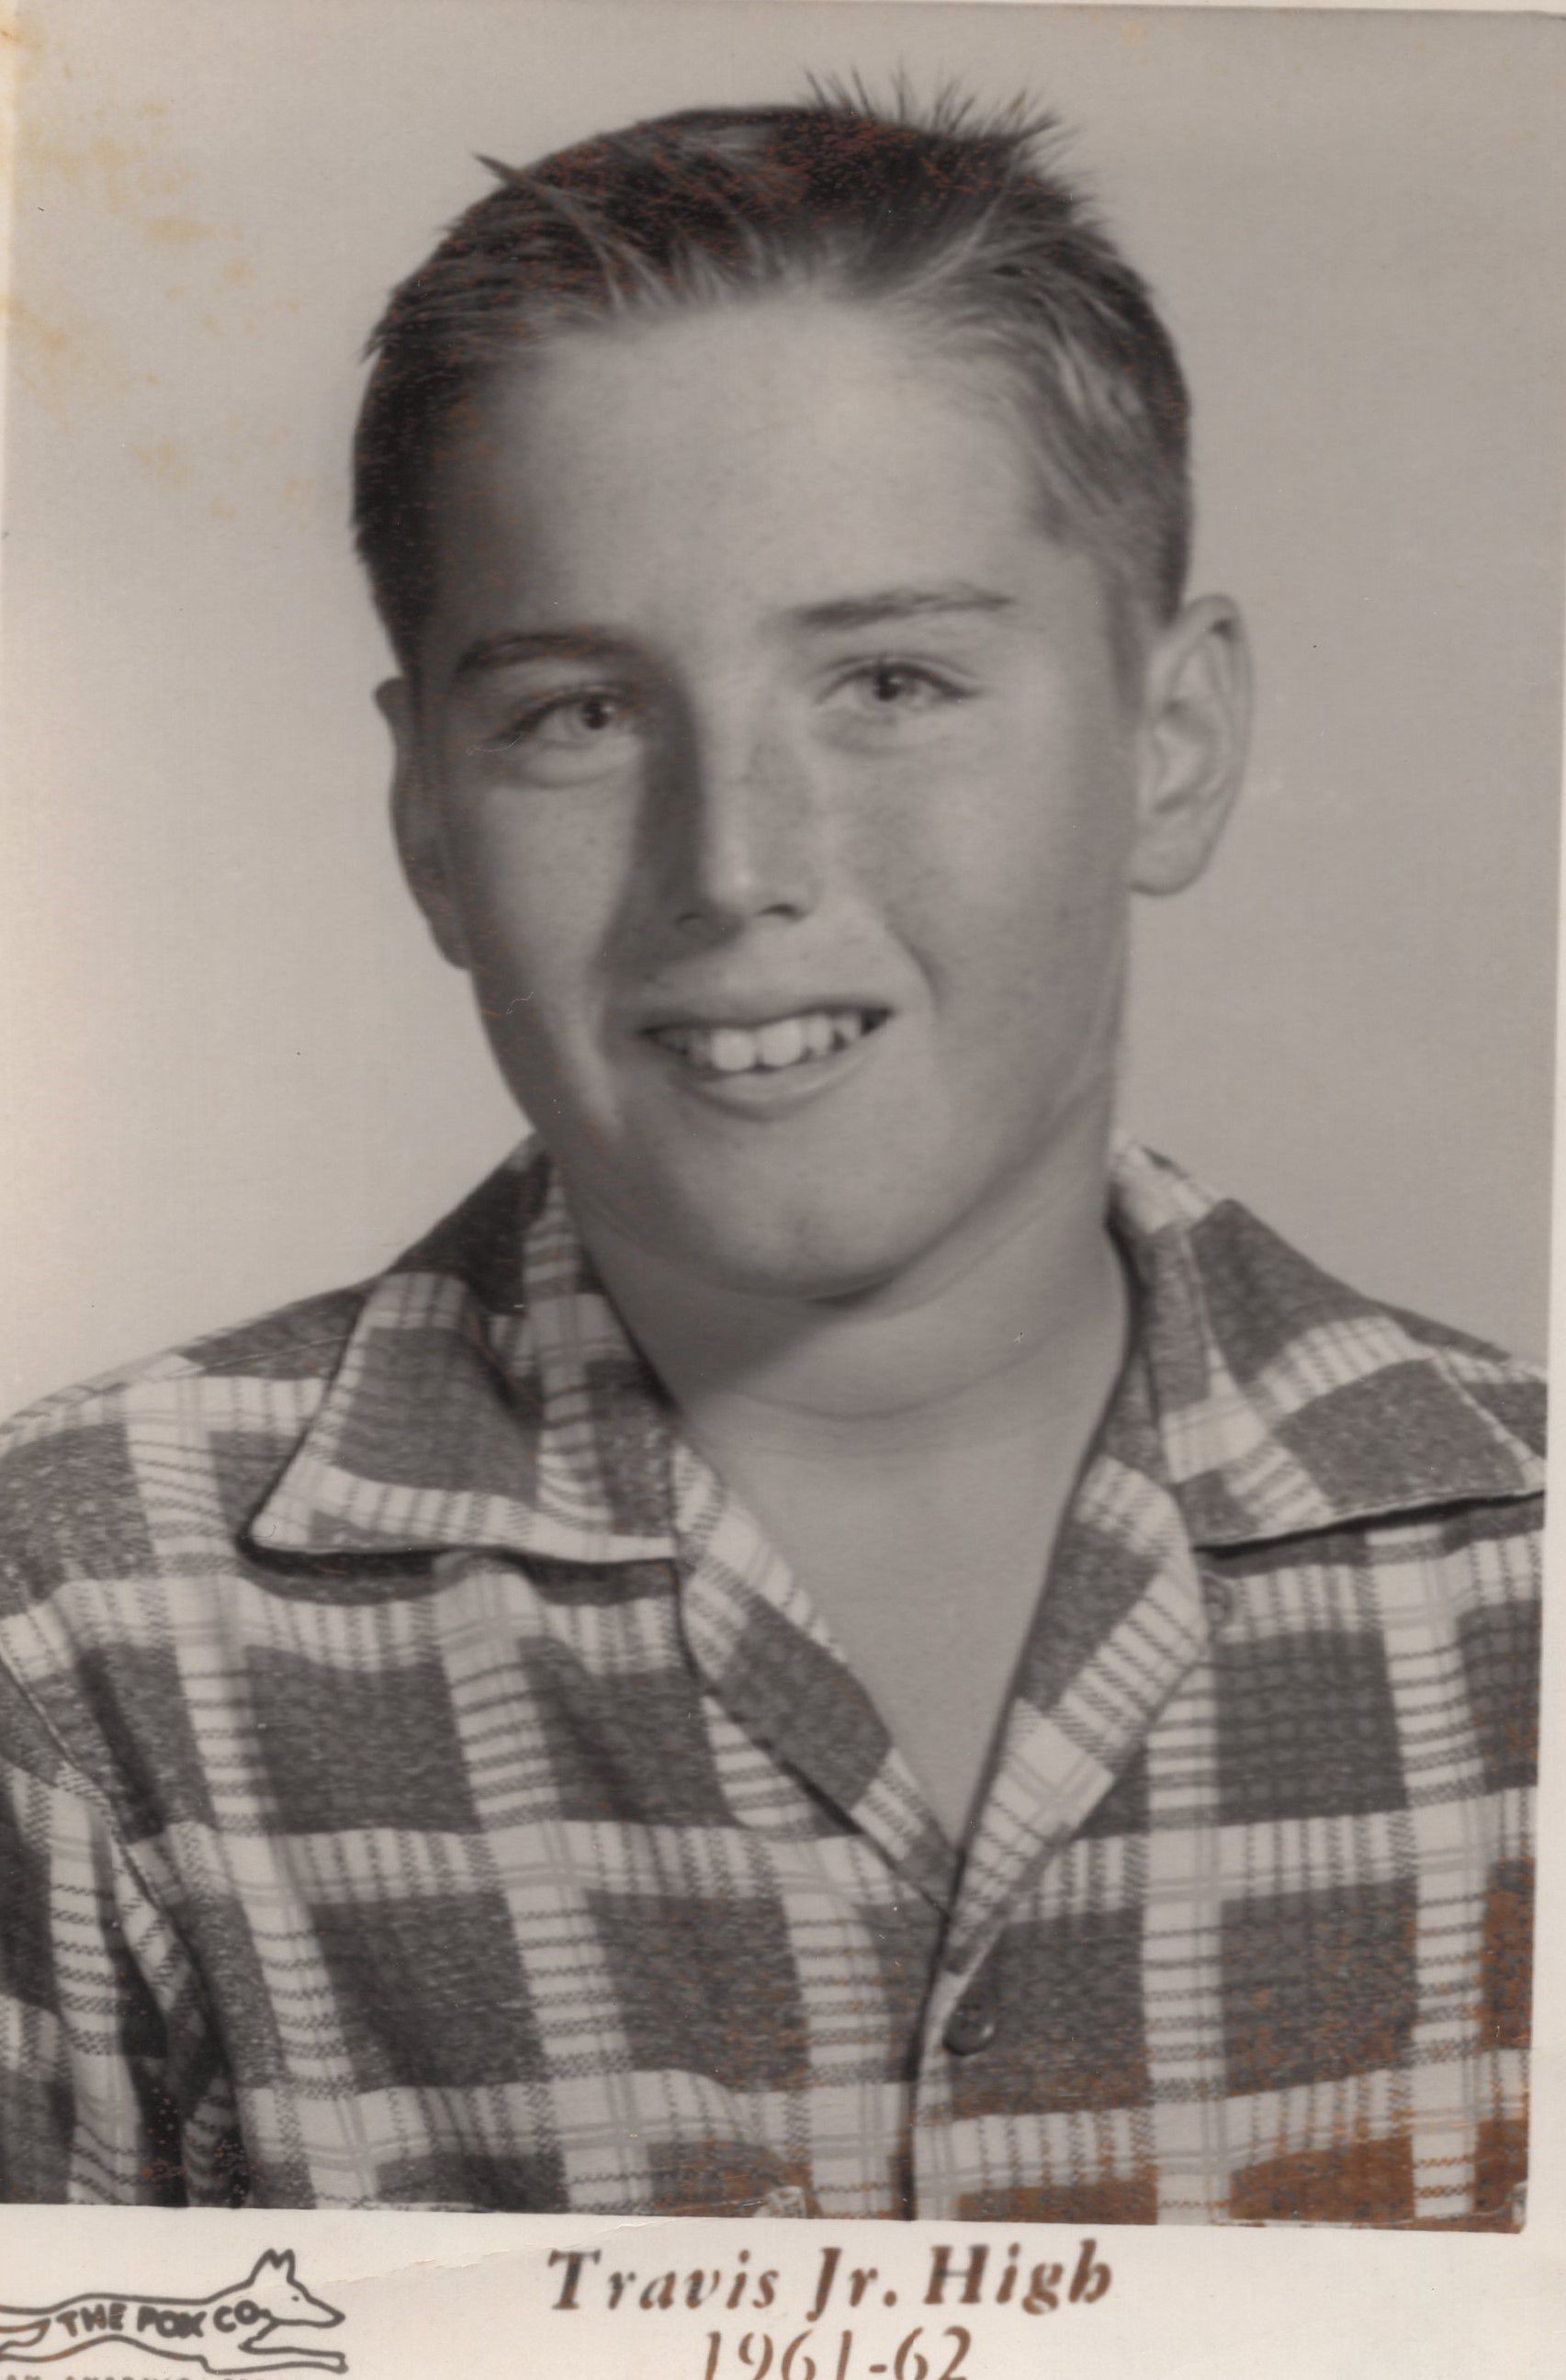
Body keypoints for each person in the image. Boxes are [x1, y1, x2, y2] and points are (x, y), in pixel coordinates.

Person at [0, 89, 1542, 2225]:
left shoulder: (1518, 1577)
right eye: (578, 712)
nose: (733, 865)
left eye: (889, 680)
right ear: (428, 820)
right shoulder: (79, 1632)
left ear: (1171, 744)